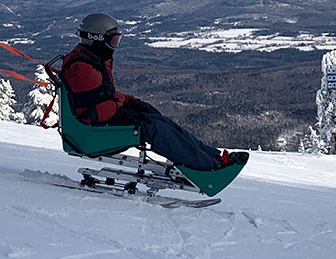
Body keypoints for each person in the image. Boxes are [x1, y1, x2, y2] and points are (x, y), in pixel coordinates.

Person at [61, 13, 248, 171]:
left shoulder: (92, 59)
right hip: (92, 132)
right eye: (113, 40)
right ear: (97, 39)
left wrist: (130, 102)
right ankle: (208, 167)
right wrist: (124, 107)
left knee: (160, 121)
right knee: (155, 128)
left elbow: (103, 97)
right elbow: (91, 112)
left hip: (99, 121)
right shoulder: (84, 69)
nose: (114, 45)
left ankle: (214, 157)